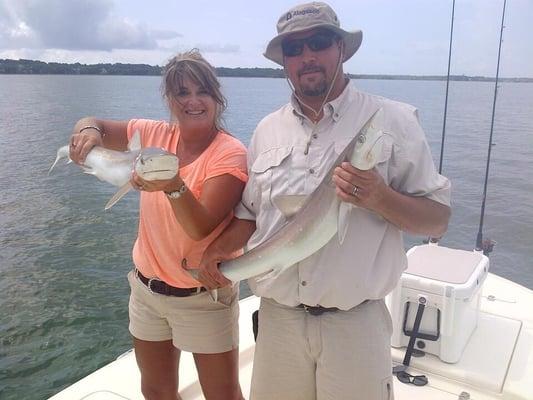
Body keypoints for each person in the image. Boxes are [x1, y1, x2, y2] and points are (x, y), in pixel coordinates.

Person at [198, 2, 451, 400]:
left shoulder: (392, 120)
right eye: (294, 49)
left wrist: (379, 197)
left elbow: (437, 221)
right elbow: (249, 215)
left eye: (318, 42)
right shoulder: (267, 130)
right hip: (279, 320)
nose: (307, 56)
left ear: (341, 50)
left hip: (355, 324)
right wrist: (217, 253)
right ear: (283, 62)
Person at [69, 50, 247, 400]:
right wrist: (87, 131)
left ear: (217, 98)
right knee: (156, 392)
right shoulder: (152, 133)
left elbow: (202, 226)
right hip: (147, 291)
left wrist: (172, 184)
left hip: (203, 296)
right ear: (169, 99)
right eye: (182, 92)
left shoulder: (229, 152)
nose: (193, 101)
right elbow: (97, 125)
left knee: (223, 395)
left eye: (203, 92)